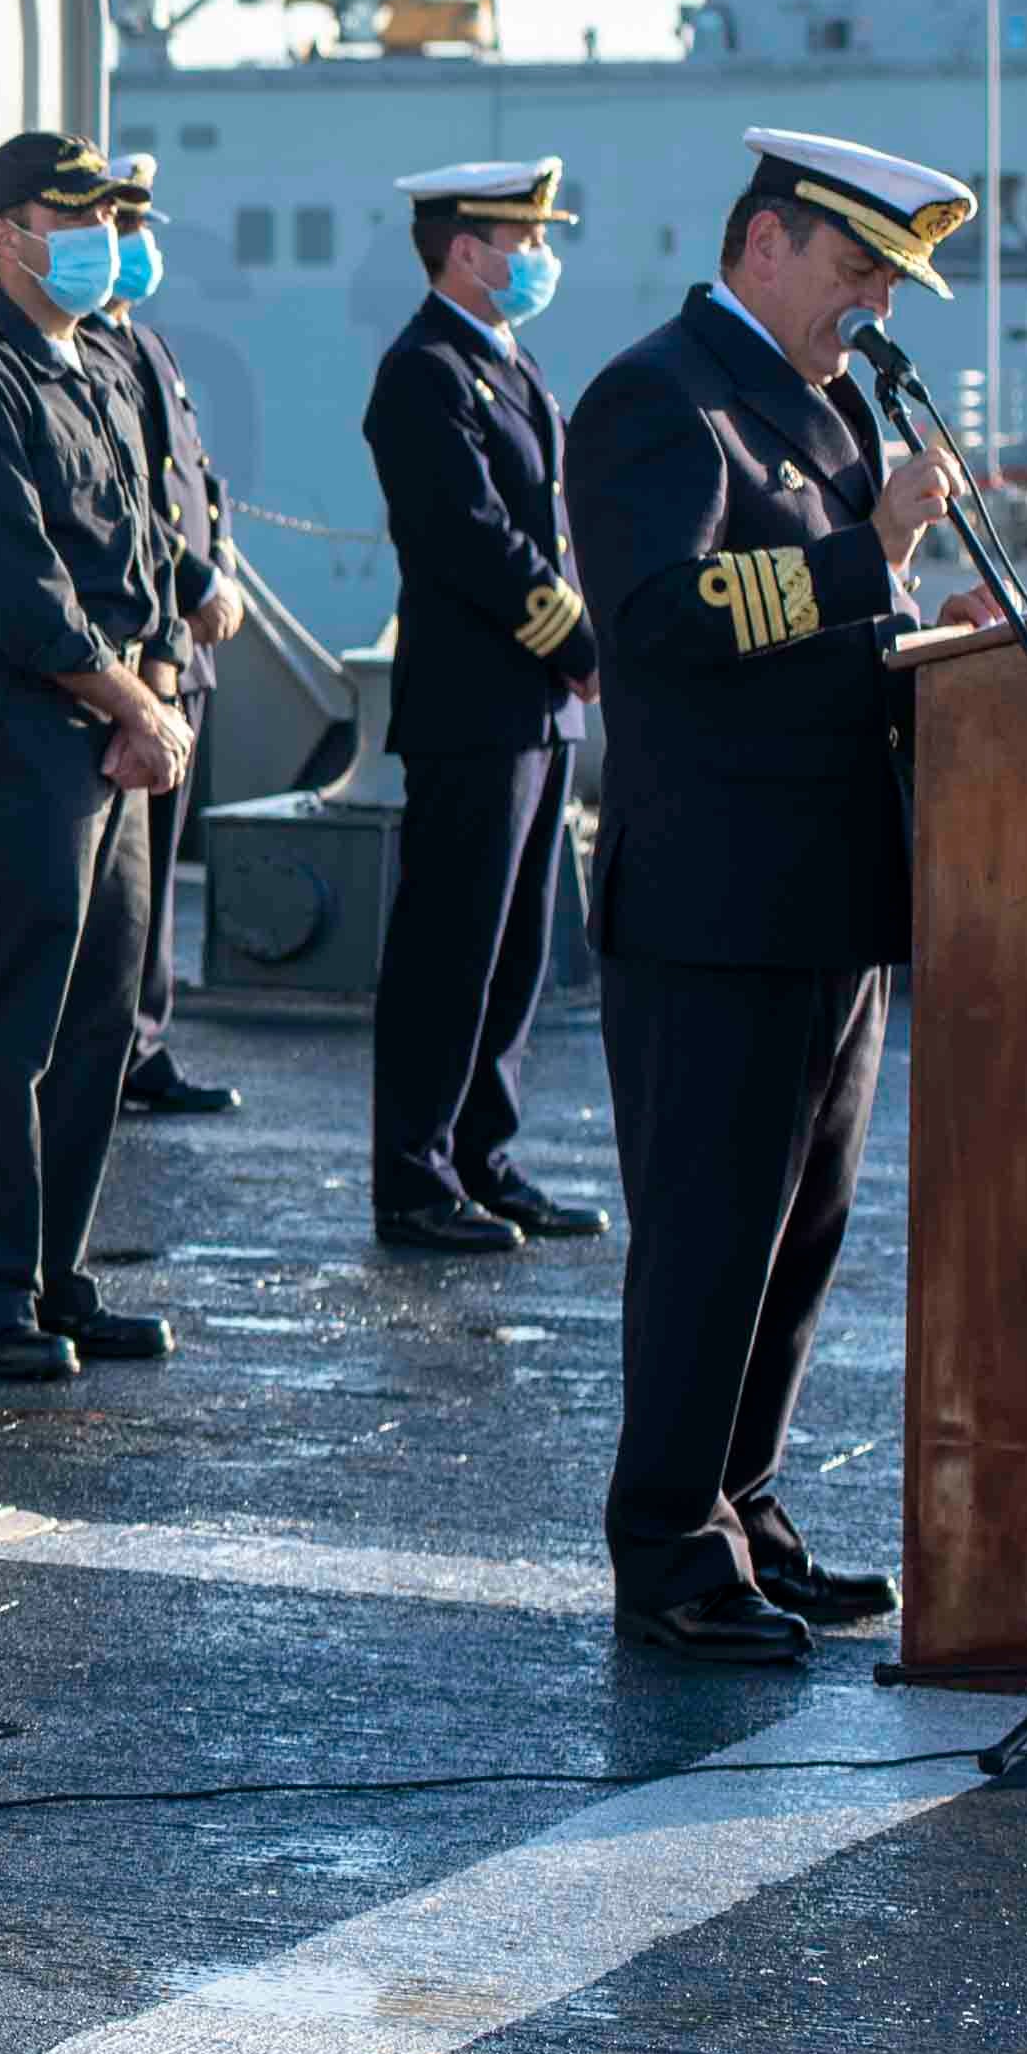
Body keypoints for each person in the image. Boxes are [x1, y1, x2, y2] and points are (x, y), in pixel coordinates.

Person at [567, 125, 997, 1663]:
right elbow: (659, 623)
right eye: (856, 267)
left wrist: (926, 624)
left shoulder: (809, 412)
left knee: (798, 1244)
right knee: (708, 1240)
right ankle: (671, 1550)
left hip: (830, 903)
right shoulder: (656, 401)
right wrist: (867, 550)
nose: (873, 304)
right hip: (716, 906)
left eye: (888, 279)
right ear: (763, 245)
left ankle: (744, 1508)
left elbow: (825, 632)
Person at [0, 132, 195, 1384]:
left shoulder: (98, 366)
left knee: (93, 1019)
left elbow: (150, 546)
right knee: (1, 1021)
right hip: (18, 720)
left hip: (113, 728)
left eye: (108, 214)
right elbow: (19, 585)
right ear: (2, 235)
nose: (98, 235)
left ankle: (49, 1278)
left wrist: (156, 689)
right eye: (71, 215)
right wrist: (134, 700)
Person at [365, 157, 608, 1259]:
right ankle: (414, 1176)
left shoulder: (503, 363)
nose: (539, 257)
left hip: (534, 709)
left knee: (513, 950)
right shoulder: (423, 371)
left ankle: (481, 1155)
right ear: (467, 249)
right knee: (449, 950)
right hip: (476, 705)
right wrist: (578, 639)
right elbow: (470, 537)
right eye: (525, 237)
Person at [85, 161, 249, 1118]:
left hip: (190, 646)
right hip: (148, 645)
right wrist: (189, 585)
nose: (137, 249)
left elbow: (197, 484)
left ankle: (144, 1040)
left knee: (158, 869)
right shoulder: (94, 359)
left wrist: (217, 568)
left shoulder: (150, 347)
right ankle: (109, 1046)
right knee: (124, 875)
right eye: (123, 228)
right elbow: (135, 508)